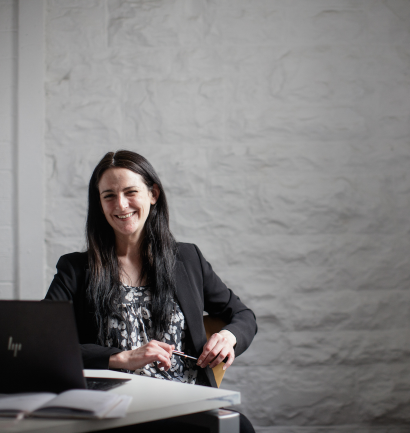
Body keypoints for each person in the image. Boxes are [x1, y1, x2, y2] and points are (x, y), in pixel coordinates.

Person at [44, 150, 257, 432]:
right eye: (108, 195)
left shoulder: (187, 259)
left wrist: (228, 337)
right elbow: (44, 344)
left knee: (239, 426)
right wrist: (121, 358)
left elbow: (242, 315)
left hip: (185, 403)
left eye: (130, 192)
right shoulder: (75, 268)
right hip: (113, 408)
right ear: (99, 202)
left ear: (153, 194)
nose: (120, 204)